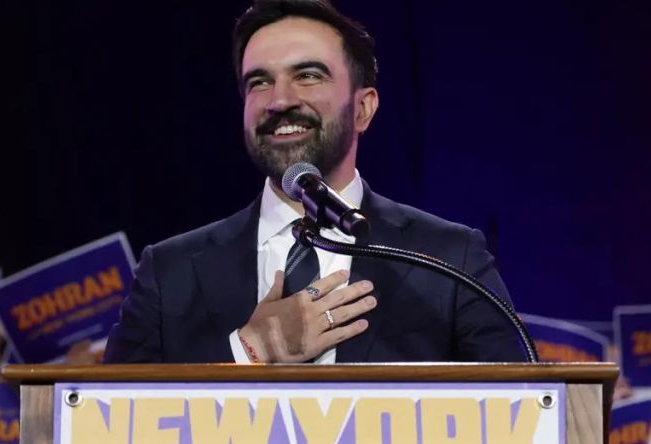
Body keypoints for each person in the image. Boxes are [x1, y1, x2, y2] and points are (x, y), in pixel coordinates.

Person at [103, 0, 525, 364]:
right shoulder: (168, 274)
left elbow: (524, 414)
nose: (279, 100)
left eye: (307, 75)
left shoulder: (449, 259)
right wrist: (246, 353)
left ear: (363, 109)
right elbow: (106, 419)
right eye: (259, 82)